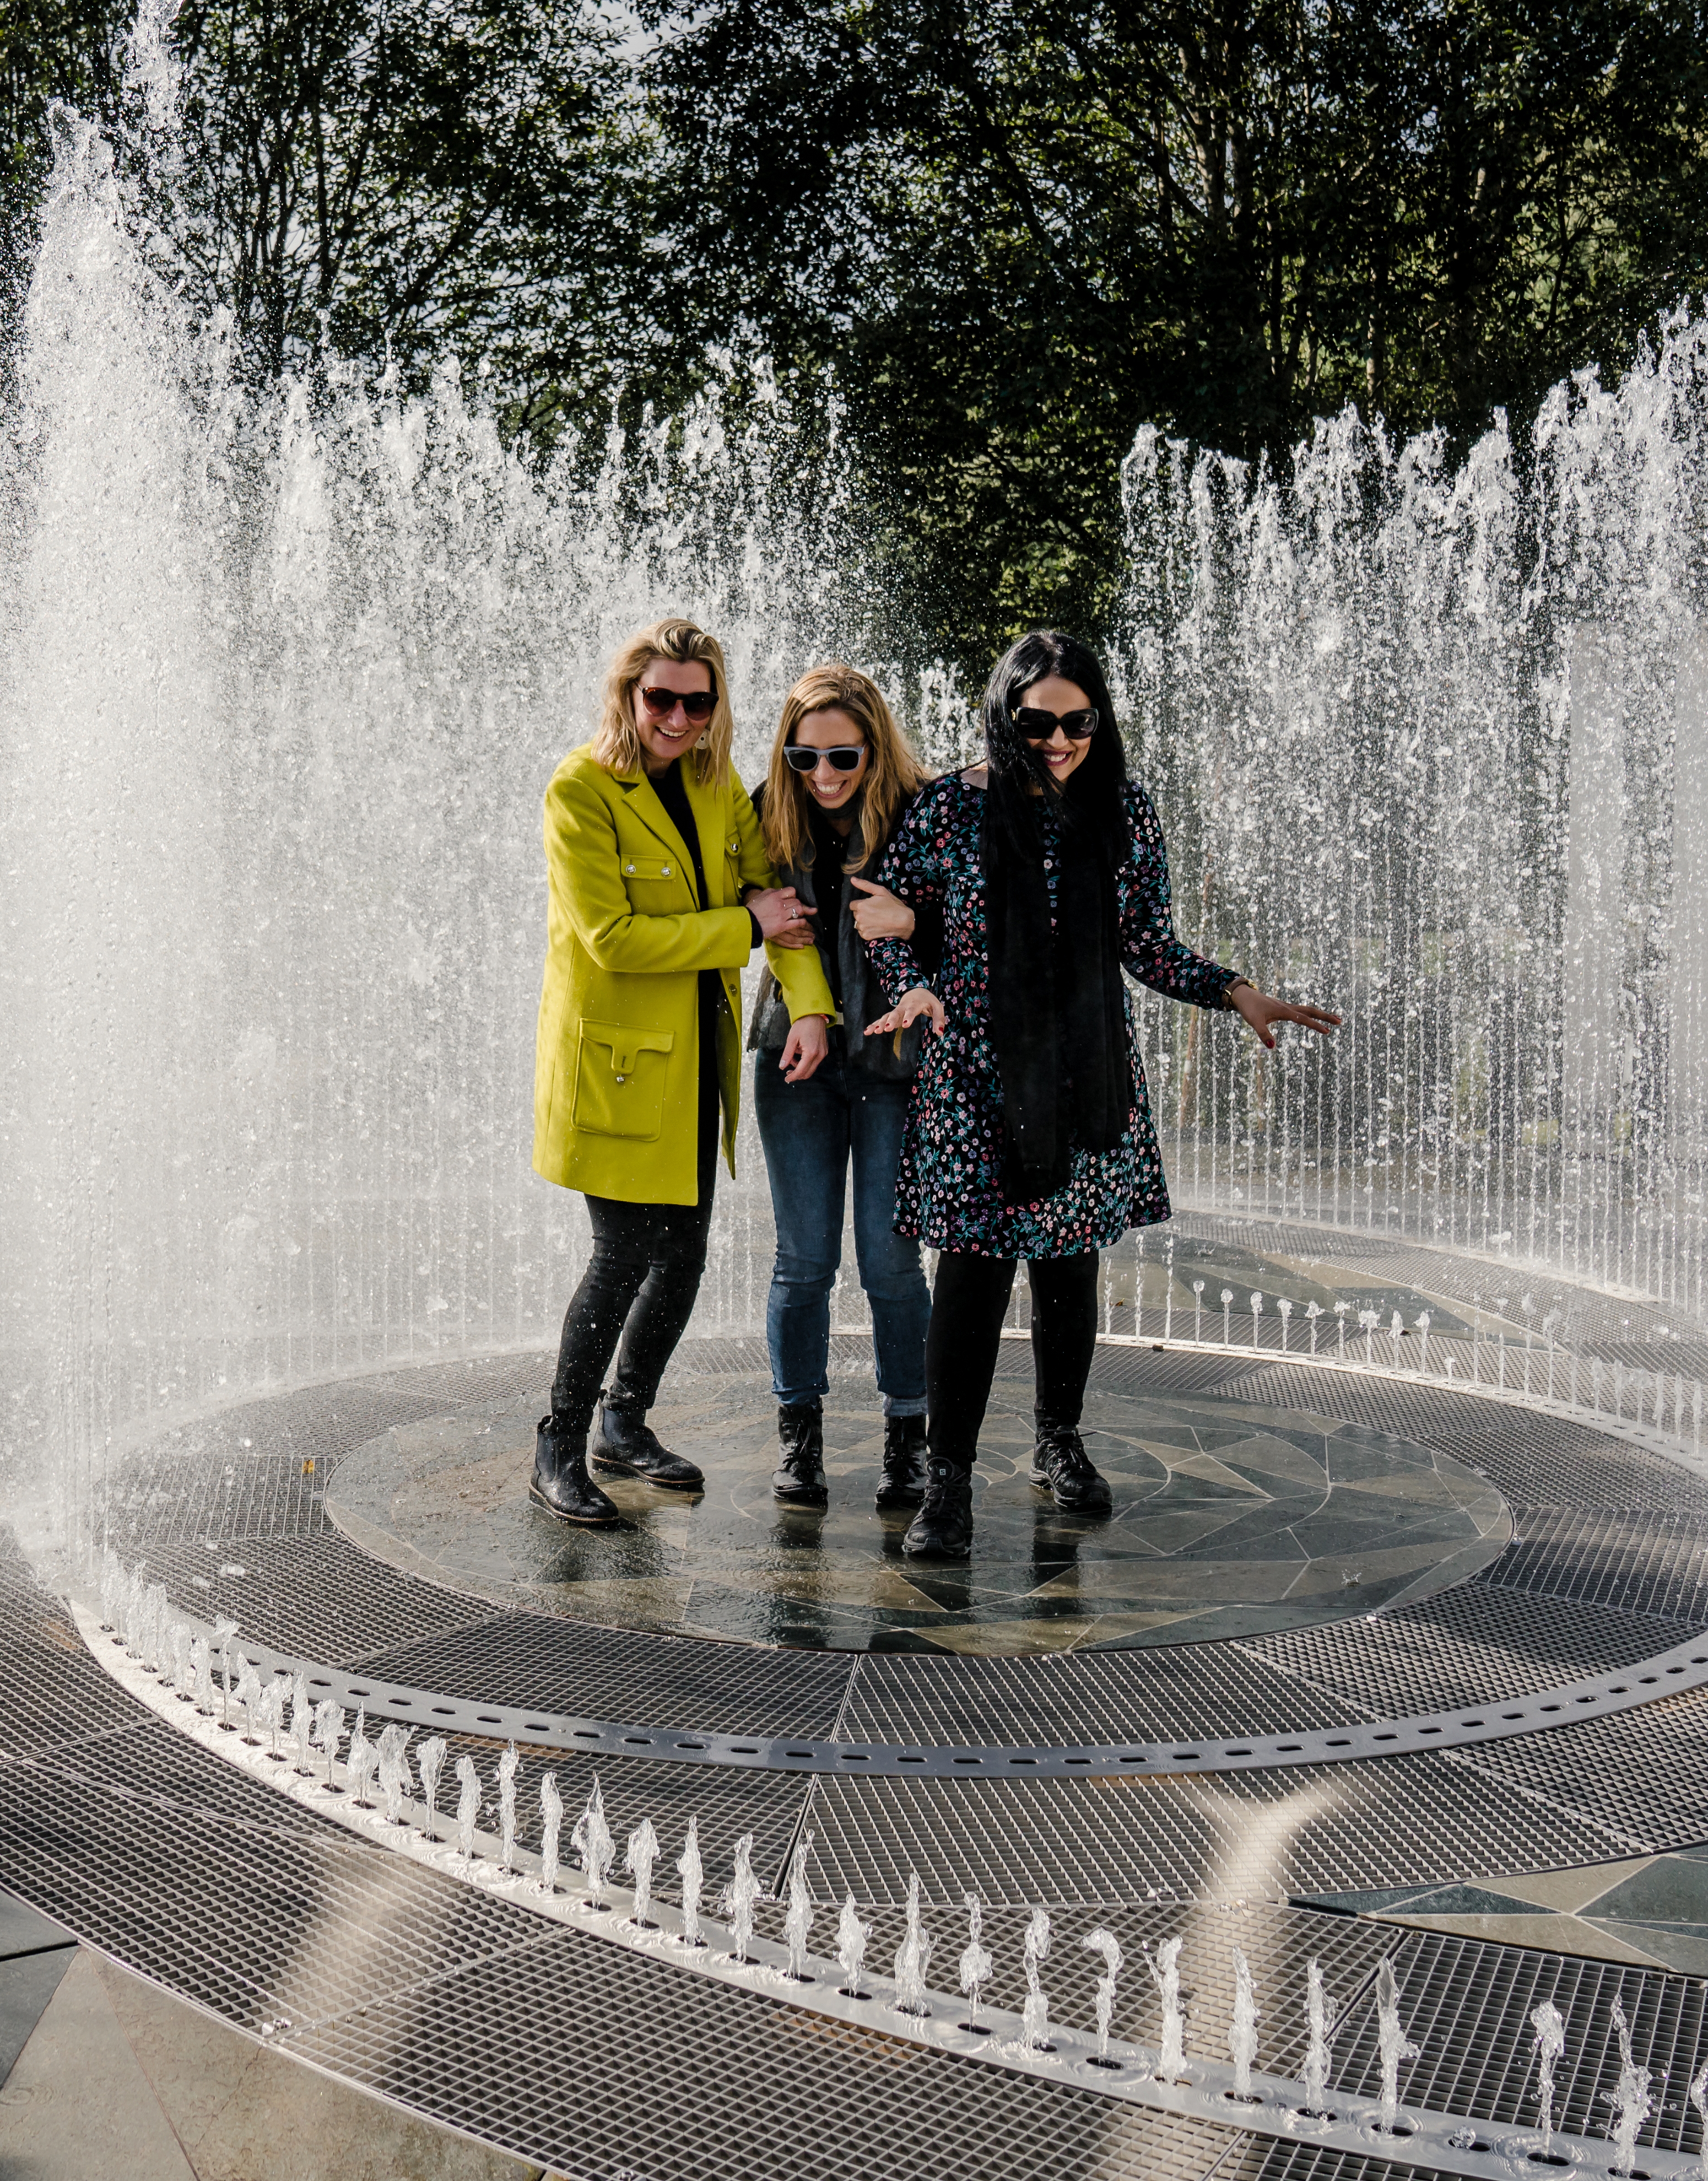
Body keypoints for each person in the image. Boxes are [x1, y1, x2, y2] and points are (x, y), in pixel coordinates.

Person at [864, 630, 1341, 1560]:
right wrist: (908, 979)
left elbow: (1148, 943)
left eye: (1078, 721)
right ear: (1004, 713)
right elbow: (884, 913)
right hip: (972, 1075)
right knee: (971, 1274)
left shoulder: (1119, 808)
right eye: (1036, 720)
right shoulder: (947, 811)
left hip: (1086, 1069)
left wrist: (1232, 988)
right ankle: (949, 1483)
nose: (1057, 739)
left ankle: (1058, 1441)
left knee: (1068, 1267)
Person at [528, 618, 829, 1527]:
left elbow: (777, 900)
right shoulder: (580, 790)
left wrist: (810, 1005)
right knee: (622, 1255)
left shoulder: (713, 781)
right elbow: (612, 939)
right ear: (629, 694)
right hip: (616, 1068)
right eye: (662, 697)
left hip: (695, 1057)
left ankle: (625, 1423)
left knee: (686, 1252)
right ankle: (558, 1443)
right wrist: (743, 928)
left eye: (698, 701)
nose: (679, 717)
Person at [748, 665, 942, 1509]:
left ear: (876, 745)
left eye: (842, 758)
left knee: (892, 1262)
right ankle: (800, 1435)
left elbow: (984, 915)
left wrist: (919, 922)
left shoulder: (927, 810)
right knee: (804, 1260)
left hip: (898, 1065)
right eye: (804, 757)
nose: (822, 777)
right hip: (797, 1060)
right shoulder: (764, 811)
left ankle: (910, 1436)